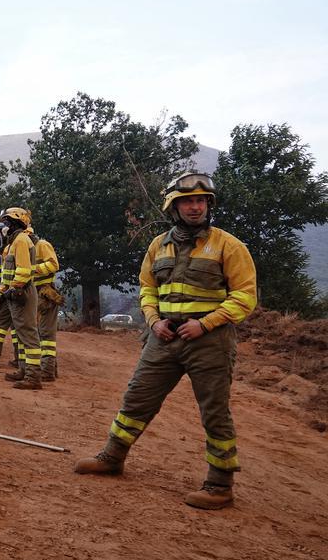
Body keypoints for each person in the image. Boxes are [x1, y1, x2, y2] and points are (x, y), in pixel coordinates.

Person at [74, 172, 257, 510]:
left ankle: (220, 485)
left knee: (214, 412)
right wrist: (154, 321)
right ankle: (112, 457)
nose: (195, 206)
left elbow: (246, 297)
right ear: (173, 207)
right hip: (163, 337)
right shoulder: (158, 245)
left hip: (210, 341)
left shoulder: (228, 246)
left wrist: (205, 324)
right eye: (188, 201)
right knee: (136, 399)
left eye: (201, 200)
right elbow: (147, 289)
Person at [0, 208, 44, 389]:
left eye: (6, 223)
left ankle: (34, 377)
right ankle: (23, 370)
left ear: (15, 224)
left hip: (21, 293)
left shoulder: (21, 240)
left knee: (28, 334)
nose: (3, 227)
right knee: (20, 334)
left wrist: (13, 289)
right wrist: (2, 293)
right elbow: (7, 274)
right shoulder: (13, 243)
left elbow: (23, 271)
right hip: (13, 293)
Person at [30, 227, 64, 381]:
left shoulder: (42, 245)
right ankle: (50, 369)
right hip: (35, 294)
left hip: (45, 293)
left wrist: (32, 269)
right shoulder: (27, 249)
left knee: (46, 334)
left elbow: (53, 265)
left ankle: (48, 371)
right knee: (39, 332)